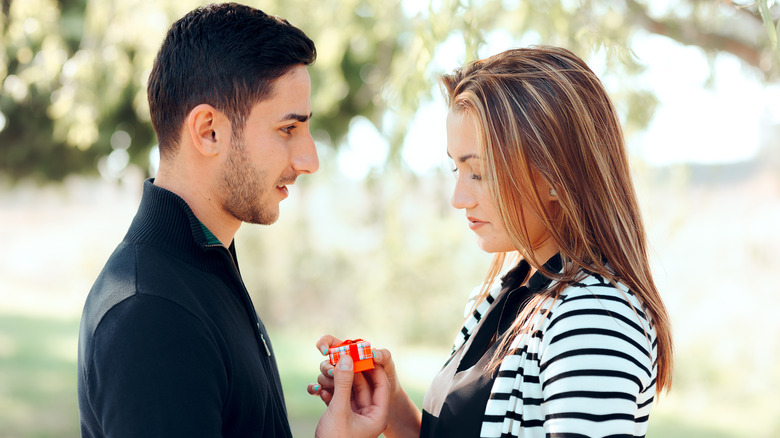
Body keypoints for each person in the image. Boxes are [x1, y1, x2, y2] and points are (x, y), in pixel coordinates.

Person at [310, 46, 673, 437]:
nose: (459, 198)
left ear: (554, 175)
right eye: (456, 168)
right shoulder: (503, 294)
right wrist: (393, 406)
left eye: (478, 173)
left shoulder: (593, 316)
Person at [77, 3, 388, 437]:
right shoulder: (152, 313)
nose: (309, 159)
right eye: (288, 129)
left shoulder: (204, 267)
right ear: (209, 131)